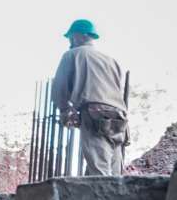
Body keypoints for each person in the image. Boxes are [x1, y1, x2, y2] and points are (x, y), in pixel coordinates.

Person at [52, 18, 129, 176]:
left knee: (99, 170)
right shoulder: (111, 61)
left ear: (79, 36)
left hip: (95, 113)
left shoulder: (72, 55)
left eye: (71, 37)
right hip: (119, 117)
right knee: (113, 170)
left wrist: (65, 111)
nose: (70, 41)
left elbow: (60, 88)